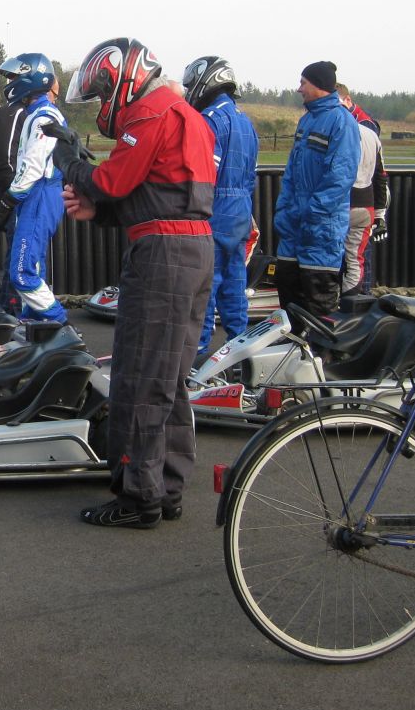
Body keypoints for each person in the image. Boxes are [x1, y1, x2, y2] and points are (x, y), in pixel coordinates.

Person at [44, 38, 215, 529]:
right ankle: (166, 488)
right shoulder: (186, 114)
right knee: (169, 378)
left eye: (102, 93)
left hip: (163, 257)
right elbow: (161, 197)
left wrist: (72, 162)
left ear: (122, 79)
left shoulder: (150, 112)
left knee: (139, 375)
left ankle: (139, 496)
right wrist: (98, 210)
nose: (103, 103)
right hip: (192, 249)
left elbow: (113, 183)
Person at [271, 62, 360, 321]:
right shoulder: (307, 121)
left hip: (320, 232)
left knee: (318, 309)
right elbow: (291, 172)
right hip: (293, 229)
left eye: (303, 83)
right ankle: (293, 346)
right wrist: (284, 211)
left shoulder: (342, 122)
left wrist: (312, 214)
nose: (299, 89)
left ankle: (317, 349)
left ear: (319, 85)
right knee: (289, 304)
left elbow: (340, 178)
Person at [181, 56, 259, 353]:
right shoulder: (245, 121)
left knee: (204, 285)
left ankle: (197, 352)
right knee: (235, 283)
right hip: (241, 211)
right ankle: (240, 349)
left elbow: (203, 173)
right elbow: (252, 176)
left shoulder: (209, 119)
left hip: (214, 210)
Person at [0, 53, 67, 322]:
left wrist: (7, 201)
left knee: (22, 273)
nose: (10, 83)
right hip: (38, 194)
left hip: (39, 194)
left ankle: (58, 322)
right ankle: (36, 325)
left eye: (15, 77)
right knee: (33, 265)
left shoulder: (43, 116)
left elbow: (32, 166)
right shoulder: (36, 113)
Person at [336, 84, 388, 294]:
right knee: (356, 259)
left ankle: (345, 302)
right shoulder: (369, 131)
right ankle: (358, 300)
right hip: (365, 203)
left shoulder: (344, 128)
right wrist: (380, 214)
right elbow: (381, 176)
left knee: (338, 259)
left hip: (343, 203)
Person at [0, 87, 27, 315]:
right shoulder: (14, 114)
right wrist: (13, 196)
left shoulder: (19, 113)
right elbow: (3, 164)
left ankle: (12, 310)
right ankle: (12, 312)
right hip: (19, 200)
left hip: (20, 198)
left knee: (21, 257)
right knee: (21, 258)